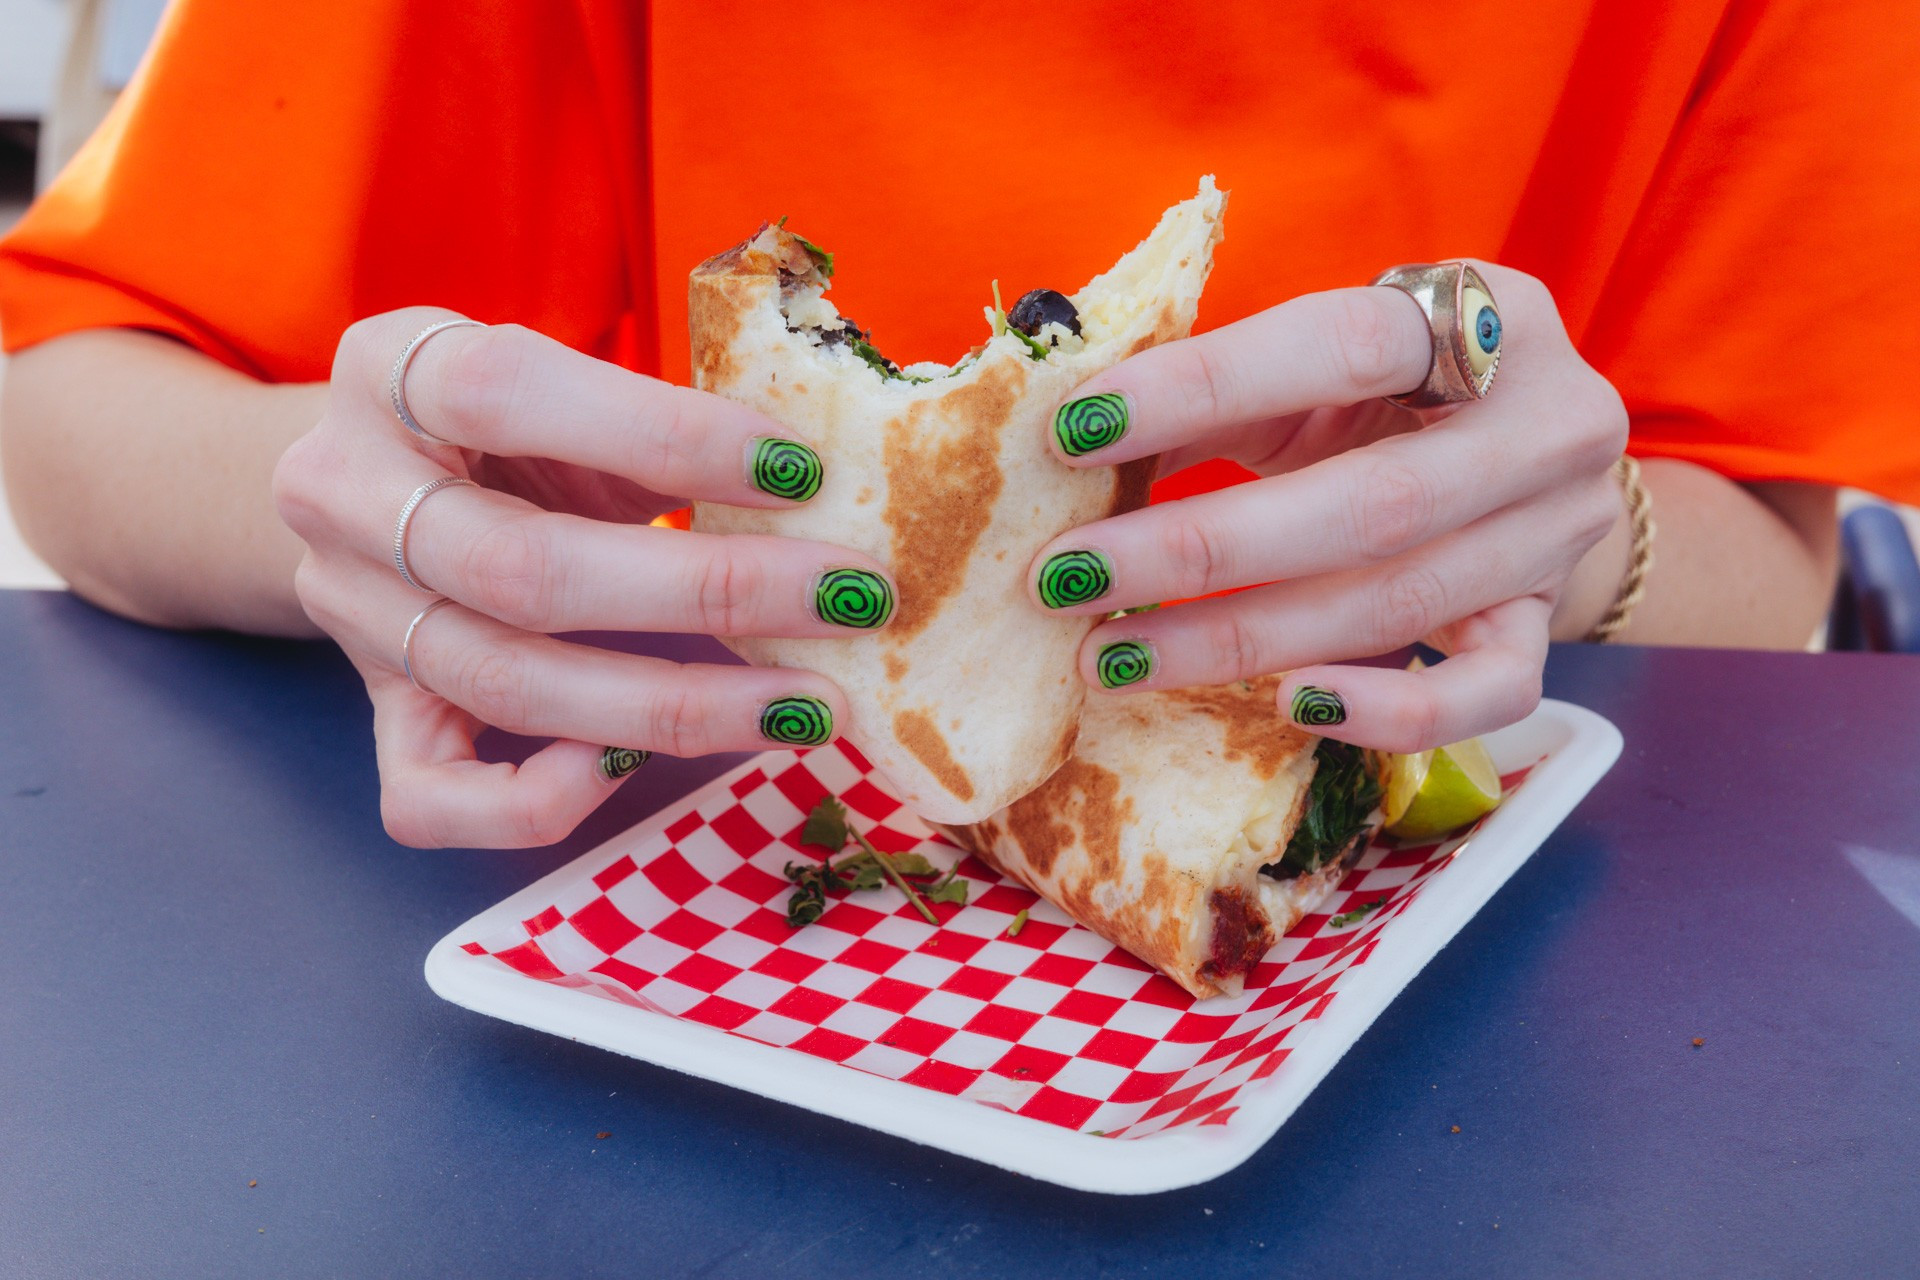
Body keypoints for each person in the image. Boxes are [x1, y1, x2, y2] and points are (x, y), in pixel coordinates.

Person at [1, 1, 1911, 848]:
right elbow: (70, 386)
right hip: (734, 942)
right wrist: (375, 521)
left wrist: (1573, 541)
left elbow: (1785, 568)